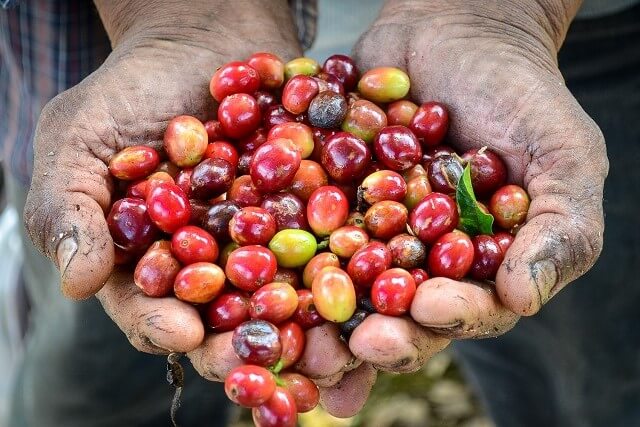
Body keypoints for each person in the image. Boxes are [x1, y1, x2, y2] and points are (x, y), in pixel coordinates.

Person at [0, 0, 637, 426]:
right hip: (117, 27)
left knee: (580, 367)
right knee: (89, 375)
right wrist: (179, 15)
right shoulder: (260, 183)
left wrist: (501, 14)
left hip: (576, 34)